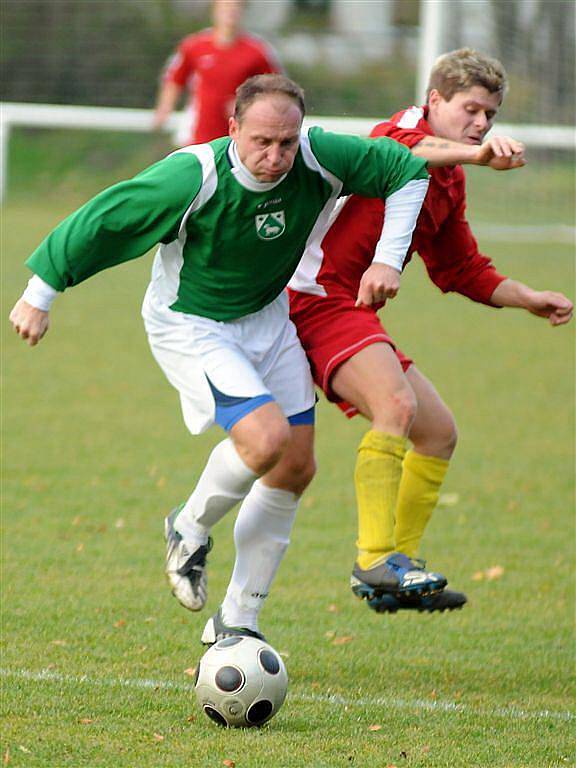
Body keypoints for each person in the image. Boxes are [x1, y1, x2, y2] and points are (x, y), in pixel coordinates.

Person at [10, 74, 434, 645]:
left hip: (267, 318)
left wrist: (388, 259)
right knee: (264, 441)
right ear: (233, 128)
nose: (275, 155)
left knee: (295, 466)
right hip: (193, 324)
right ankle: (188, 526)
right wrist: (41, 293)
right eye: (261, 141)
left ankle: (240, 620)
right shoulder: (195, 175)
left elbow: (407, 170)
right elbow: (107, 217)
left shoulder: (319, 156)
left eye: (287, 142)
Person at [288, 48, 574, 615]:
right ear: (435, 99)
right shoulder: (393, 136)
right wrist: (478, 155)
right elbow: (405, 154)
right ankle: (373, 557)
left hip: (353, 313)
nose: (481, 123)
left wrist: (528, 299)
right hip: (314, 301)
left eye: (490, 116)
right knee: (395, 404)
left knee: (438, 432)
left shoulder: (450, 180)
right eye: (471, 109)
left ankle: (397, 570)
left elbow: (461, 268)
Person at [153, 0, 282, 146]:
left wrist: (247, 104)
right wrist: (165, 108)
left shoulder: (258, 51)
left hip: (238, 136)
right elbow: (174, 79)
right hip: (199, 132)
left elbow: (275, 89)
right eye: (226, 6)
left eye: (236, 7)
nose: (231, 11)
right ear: (215, 9)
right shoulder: (194, 45)